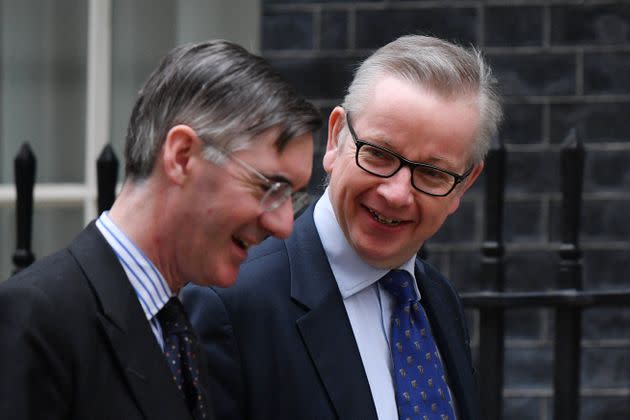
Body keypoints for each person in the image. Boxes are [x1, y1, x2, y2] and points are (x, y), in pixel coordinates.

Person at [183, 35, 502, 420]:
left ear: (464, 186)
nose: (397, 194)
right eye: (379, 155)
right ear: (336, 138)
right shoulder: (230, 304)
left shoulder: (438, 298)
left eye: (432, 173)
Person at [0, 40, 321, 420]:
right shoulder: (36, 319)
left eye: (292, 198)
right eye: (270, 188)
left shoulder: (175, 328)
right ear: (182, 156)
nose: (284, 225)